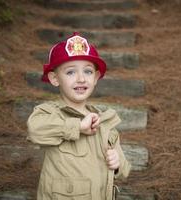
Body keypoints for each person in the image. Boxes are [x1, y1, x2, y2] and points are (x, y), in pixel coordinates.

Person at [27, 32, 131, 200]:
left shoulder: (104, 122)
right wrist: (78, 126)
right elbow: (35, 130)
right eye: (70, 72)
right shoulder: (49, 113)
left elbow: (124, 170)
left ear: (96, 77)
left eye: (88, 72)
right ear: (54, 78)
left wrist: (118, 164)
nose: (81, 78)